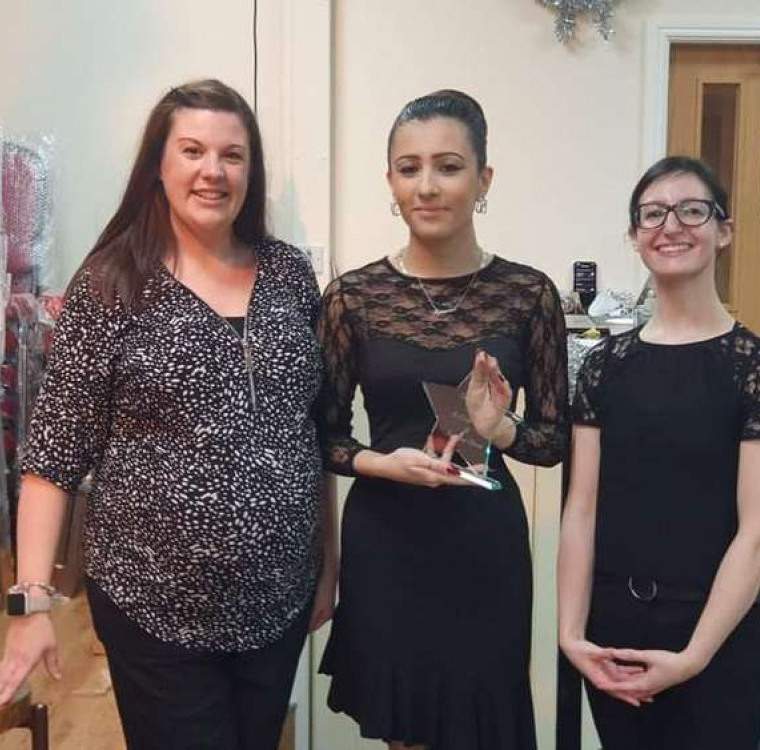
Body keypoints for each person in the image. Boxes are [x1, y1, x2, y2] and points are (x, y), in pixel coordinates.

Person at [0, 79, 338, 750]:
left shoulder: (290, 275)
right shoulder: (112, 283)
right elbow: (53, 458)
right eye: (193, 150)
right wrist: (29, 603)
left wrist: (328, 564)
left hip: (278, 597)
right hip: (153, 604)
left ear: (250, 170)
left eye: (232, 154)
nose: (213, 171)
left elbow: (310, 431)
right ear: (160, 165)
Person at [317, 89, 569, 750]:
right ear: (391, 182)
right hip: (387, 543)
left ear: (483, 179)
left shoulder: (527, 295)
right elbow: (322, 434)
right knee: (405, 728)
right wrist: (381, 463)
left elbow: (550, 443)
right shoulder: (352, 298)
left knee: (478, 725)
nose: (425, 186)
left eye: (448, 166)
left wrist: (500, 428)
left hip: (480, 546)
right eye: (408, 168)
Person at [557, 156, 760, 749]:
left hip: (723, 632)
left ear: (724, 230)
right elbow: (582, 510)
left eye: (692, 210)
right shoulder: (603, 366)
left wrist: (694, 657)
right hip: (615, 626)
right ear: (635, 237)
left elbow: (758, 535)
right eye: (652, 214)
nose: (671, 225)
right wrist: (570, 635)